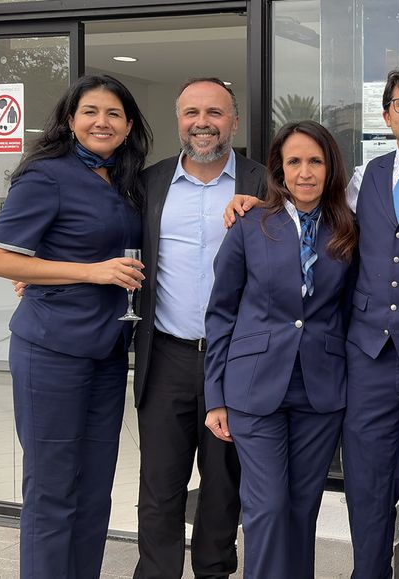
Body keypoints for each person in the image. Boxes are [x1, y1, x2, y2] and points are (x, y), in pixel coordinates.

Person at [223, 66, 399, 579]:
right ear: (386, 115)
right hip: (367, 358)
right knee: (367, 487)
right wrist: (254, 202)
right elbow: (305, 211)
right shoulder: (363, 179)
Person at [0, 74, 151, 578]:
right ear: (71, 121)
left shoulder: (126, 179)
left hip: (107, 350)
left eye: (114, 114)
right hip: (51, 351)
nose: (102, 121)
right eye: (90, 112)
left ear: (129, 126)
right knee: (52, 490)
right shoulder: (45, 175)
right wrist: (90, 273)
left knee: (96, 488)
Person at [203, 120, 356, 578]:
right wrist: (215, 395)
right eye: (294, 162)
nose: (305, 172)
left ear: (330, 169)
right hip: (254, 388)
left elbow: (349, 312)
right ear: (279, 169)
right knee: (266, 507)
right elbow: (221, 312)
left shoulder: (348, 228)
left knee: (302, 507)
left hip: (320, 390)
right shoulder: (251, 224)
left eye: (315, 161)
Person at [133, 78, 266, 579]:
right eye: (191, 112)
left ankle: (214, 571)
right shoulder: (149, 183)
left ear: (234, 120)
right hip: (166, 353)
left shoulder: (263, 183)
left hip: (235, 360)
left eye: (214, 112)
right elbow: (108, 239)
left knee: (222, 485)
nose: (202, 122)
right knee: (160, 484)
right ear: (179, 120)